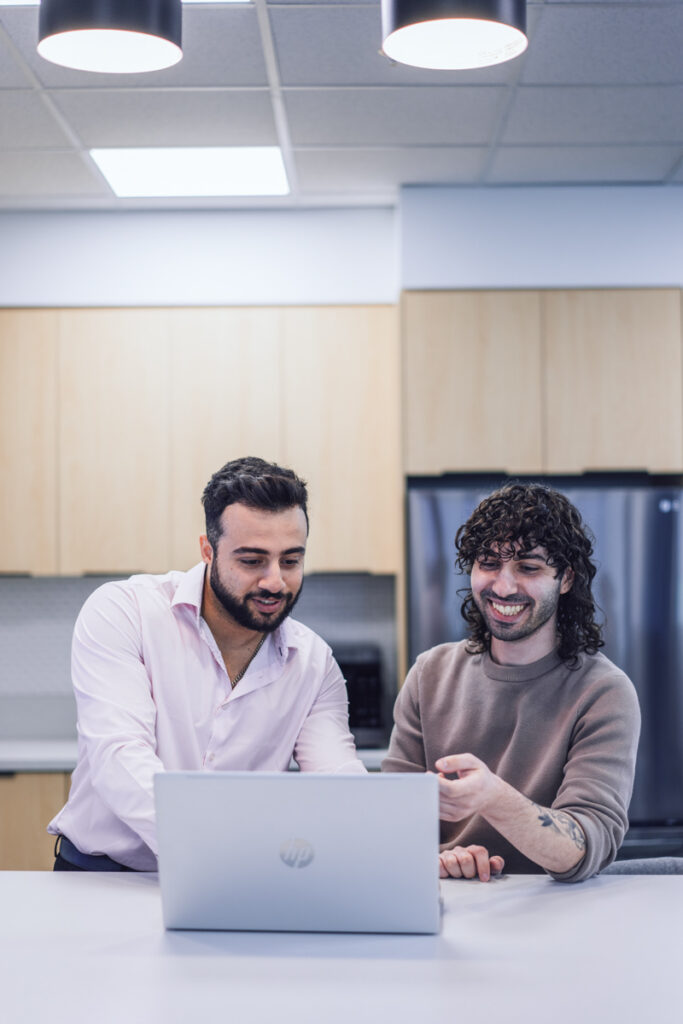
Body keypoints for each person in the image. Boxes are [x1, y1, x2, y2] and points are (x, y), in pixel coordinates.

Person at [49, 456, 364, 871]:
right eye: (251, 561)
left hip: (235, 876)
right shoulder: (126, 612)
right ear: (207, 551)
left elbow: (336, 775)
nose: (275, 581)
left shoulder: (313, 662)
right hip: (104, 875)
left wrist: (369, 835)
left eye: (290, 561)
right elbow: (120, 757)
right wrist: (216, 850)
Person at [382, 482, 640, 884]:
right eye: (488, 563)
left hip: (555, 915)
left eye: (528, 567)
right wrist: (441, 860)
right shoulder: (429, 674)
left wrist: (493, 797)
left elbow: (586, 845)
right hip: (448, 905)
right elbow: (391, 818)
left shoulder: (604, 692)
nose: (503, 587)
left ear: (566, 578)